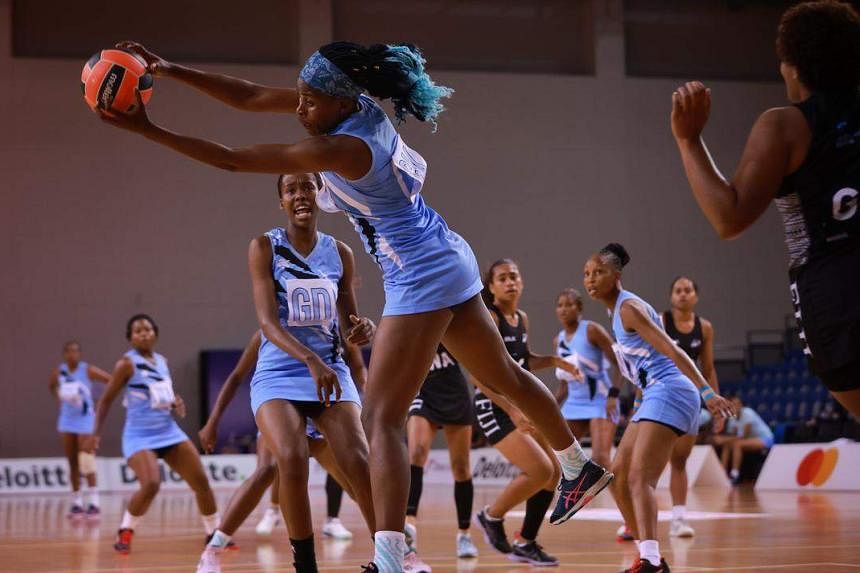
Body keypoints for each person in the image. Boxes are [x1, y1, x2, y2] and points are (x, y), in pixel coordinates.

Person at [96, 40, 612, 572]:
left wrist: (146, 130)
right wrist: (169, 67)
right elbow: (249, 97)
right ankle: (578, 466)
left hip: (418, 271)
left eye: (310, 102)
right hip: (448, 251)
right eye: (299, 96)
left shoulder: (342, 149)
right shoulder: (357, 108)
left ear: (341, 103)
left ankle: (390, 560)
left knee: (383, 418)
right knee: (502, 373)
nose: (300, 108)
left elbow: (232, 160)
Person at [671, 0, 860, 417]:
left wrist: (689, 141)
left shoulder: (785, 126)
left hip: (835, 293)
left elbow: (729, 216)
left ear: (792, 65)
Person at [584, 244, 734, 573]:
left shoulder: (629, 309)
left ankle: (652, 560)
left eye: (599, 272)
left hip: (672, 390)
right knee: (618, 476)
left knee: (639, 477)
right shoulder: (615, 311)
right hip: (652, 393)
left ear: (616, 276)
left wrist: (707, 391)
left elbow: (672, 350)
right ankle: (649, 556)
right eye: (587, 274)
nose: (591, 279)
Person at [197, 329, 361, 573]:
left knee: (358, 479)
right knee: (267, 470)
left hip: (320, 412)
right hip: (281, 406)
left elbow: (359, 367)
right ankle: (213, 548)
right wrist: (213, 422)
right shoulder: (266, 332)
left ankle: (399, 548)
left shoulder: (332, 325)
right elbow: (235, 377)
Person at [472, 259, 583, 567]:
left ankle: (526, 542)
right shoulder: (490, 319)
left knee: (554, 473)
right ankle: (490, 516)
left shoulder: (521, 318)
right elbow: (477, 375)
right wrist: (512, 408)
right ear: (491, 287)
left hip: (518, 405)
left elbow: (523, 362)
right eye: (503, 278)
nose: (510, 282)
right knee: (541, 471)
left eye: (514, 276)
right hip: (492, 406)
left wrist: (557, 362)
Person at [94, 314, 221, 555]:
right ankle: (126, 530)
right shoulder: (126, 365)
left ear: (155, 334)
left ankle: (214, 533)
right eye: (137, 331)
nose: (143, 334)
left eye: (147, 329)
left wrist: (175, 402)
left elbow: (161, 395)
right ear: (130, 338)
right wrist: (95, 433)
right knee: (151, 483)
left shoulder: (162, 361)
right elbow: (106, 401)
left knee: (201, 482)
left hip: (168, 431)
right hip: (139, 435)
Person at [617, 276, 721, 541]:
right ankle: (634, 522)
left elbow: (707, 368)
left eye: (688, 290)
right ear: (671, 296)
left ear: (695, 296)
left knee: (679, 459)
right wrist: (639, 402)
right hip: (657, 393)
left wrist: (714, 398)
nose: (683, 294)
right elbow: (645, 363)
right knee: (638, 468)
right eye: (678, 290)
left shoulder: (704, 328)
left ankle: (678, 518)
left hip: (686, 397)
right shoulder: (659, 321)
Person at [405, 344, 479, 559]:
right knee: (417, 452)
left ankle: (464, 535)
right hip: (422, 392)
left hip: (454, 393)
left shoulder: (447, 316)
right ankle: (409, 527)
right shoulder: (406, 319)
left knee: (461, 468)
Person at [552, 288, 621, 481]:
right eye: (560, 305)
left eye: (569, 304)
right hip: (574, 403)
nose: (564, 309)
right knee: (562, 457)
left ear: (579, 308)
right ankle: (571, 503)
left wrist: (613, 396)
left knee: (600, 458)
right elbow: (564, 386)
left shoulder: (592, 330)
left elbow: (620, 365)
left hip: (602, 400)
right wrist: (551, 407)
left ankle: (623, 500)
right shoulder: (558, 341)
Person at [49, 340, 110, 518]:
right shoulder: (59, 372)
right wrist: (59, 395)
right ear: (64, 354)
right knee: (72, 461)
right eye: (68, 351)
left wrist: (98, 398)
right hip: (66, 421)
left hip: (85, 419)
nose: (72, 354)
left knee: (86, 458)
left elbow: (111, 380)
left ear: (80, 354)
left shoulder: (87, 370)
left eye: (75, 351)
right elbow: (51, 386)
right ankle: (76, 502)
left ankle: (94, 502)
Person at [712, 395, 774, 485]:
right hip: (749, 440)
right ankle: (722, 473)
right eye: (733, 404)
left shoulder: (748, 413)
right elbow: (733, 436)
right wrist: (725, 440)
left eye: (738, 404)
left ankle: (734, 475)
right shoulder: (732, 417)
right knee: (728, 445)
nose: (737, 406)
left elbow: (745, 436)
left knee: (737, 444)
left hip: (765, 439)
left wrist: (723, 439)